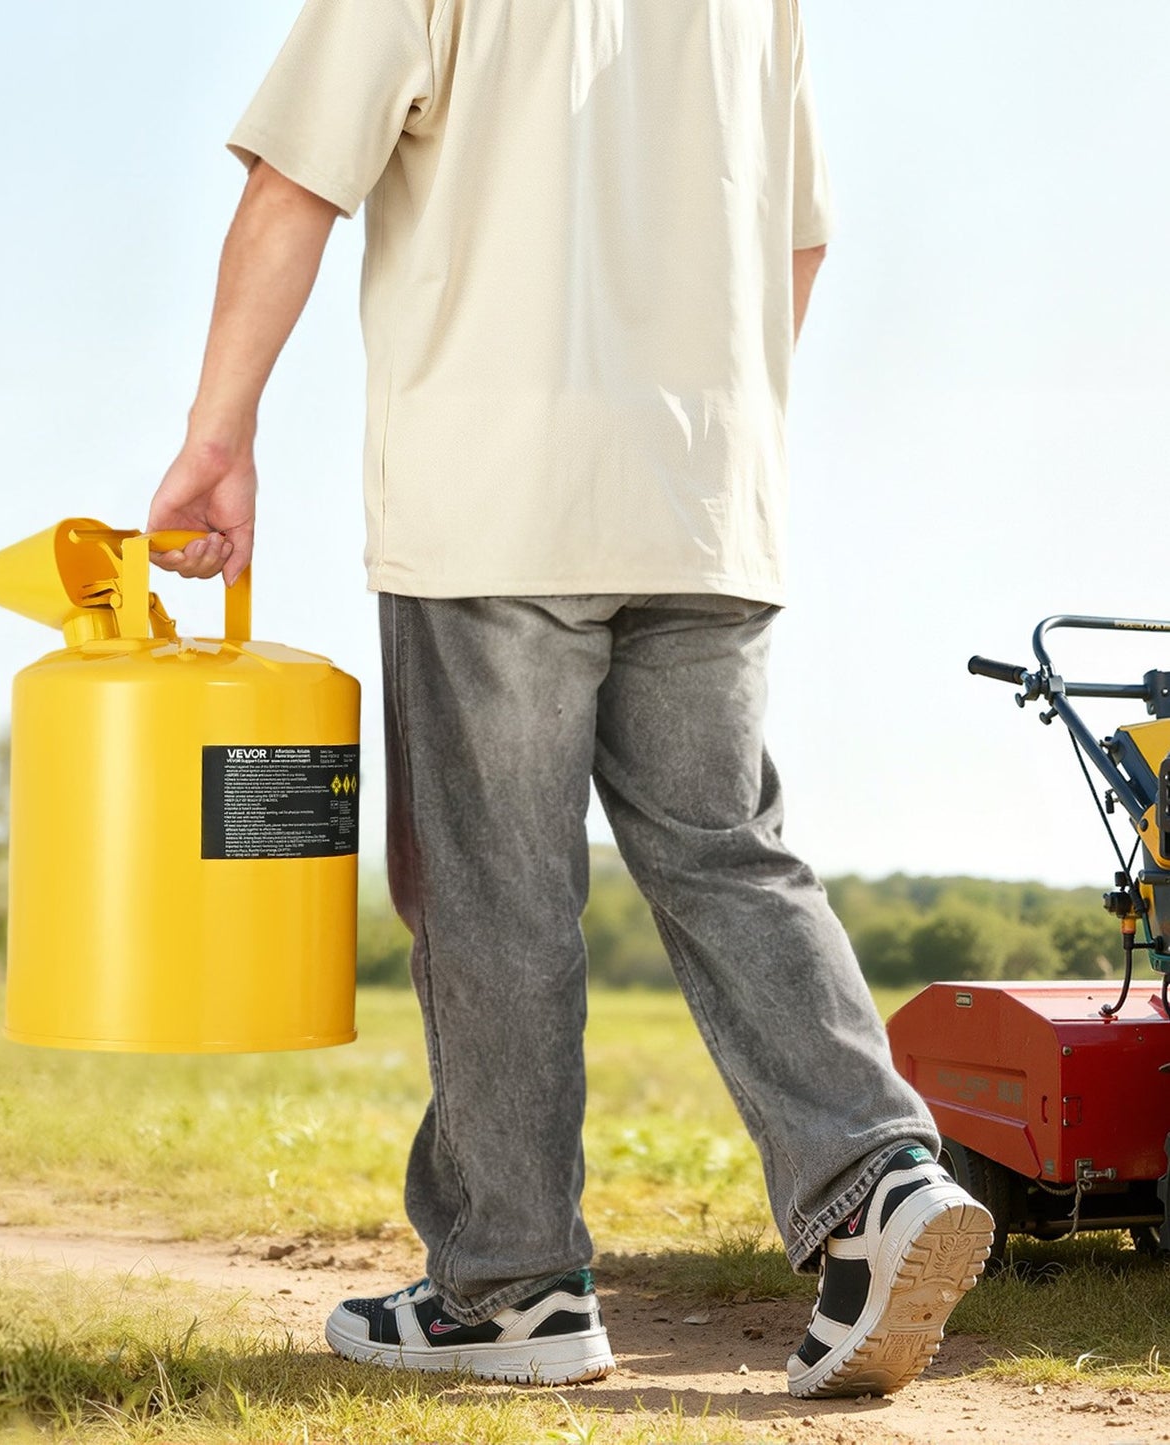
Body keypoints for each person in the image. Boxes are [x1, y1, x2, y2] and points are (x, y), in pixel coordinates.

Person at [148, 0, 994, 1400]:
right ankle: (880, 1179)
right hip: (704, 506)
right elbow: (801, 239)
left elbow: (292, 179)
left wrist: (215, 437)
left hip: (492, 501)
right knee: (727, 854)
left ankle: (512, 1287)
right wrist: (706, 432)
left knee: (493, 889)